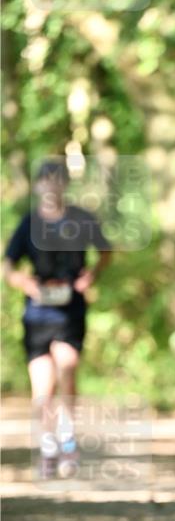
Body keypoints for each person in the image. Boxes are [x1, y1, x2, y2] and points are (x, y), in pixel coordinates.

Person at [3, 159, 112, 478]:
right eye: (45, 181)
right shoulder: (29, 223)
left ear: (65, 184)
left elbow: (105, 251)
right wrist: (24, 283)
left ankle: (67, 442)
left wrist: (90, 276)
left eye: (57, 181)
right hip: (37, 310)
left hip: (70, 306)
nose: (51, 186)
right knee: (43, 387)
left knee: (68, 368)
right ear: (38, 186)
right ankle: (48, 448)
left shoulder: (81, 218)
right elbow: (7, 265)